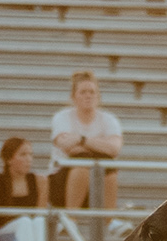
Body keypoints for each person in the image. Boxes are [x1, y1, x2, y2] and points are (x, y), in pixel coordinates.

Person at [50, 71, 124, 210]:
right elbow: (67, 146)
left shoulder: (109, 120)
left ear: (98, 96)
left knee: (107, 164)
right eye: (83, 92)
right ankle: (72, 217)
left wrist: (81, 139)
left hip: (97, 178)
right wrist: (100, 145)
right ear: (74, 97)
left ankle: (107, 219)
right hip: (62, 179)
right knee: (82, 160)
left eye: (92, 92)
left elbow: (114, 149)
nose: (88, 96)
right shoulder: (62, 117)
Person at [0, 135, 49, 241]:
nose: (29, 159)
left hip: (27, 237)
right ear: (9, 159)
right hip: (1, 237)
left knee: (39, 221)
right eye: (23, 155)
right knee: (24, 221)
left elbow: (40, 215)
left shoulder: (40, 181)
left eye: (30, 155)